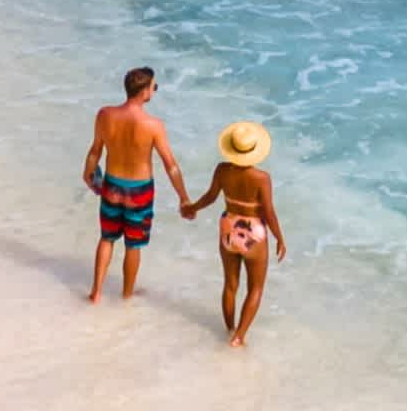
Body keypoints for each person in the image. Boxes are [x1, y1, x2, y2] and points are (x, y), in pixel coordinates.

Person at [80, 65, 186, 302]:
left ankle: (95, 292)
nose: (154, 91)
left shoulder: (105, 115)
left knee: (106, 238)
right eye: (153, 87)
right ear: (144, 92)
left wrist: (88, 173)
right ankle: (126, 295)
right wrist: (183, 197)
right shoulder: (153, 125)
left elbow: (95, 152)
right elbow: (171, 165)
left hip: (111, 185)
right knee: (133, 245)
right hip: (139, 191)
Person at [181, 121, 286, 347]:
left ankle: (228, 329)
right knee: (255, 288)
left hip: (228, 227)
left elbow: (210, 196)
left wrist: (192, 208)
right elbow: (268, 211)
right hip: (253, 232)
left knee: (230, 284)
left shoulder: (222, 169)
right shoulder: (261, 178)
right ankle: (239, 337)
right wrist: (279, 237)